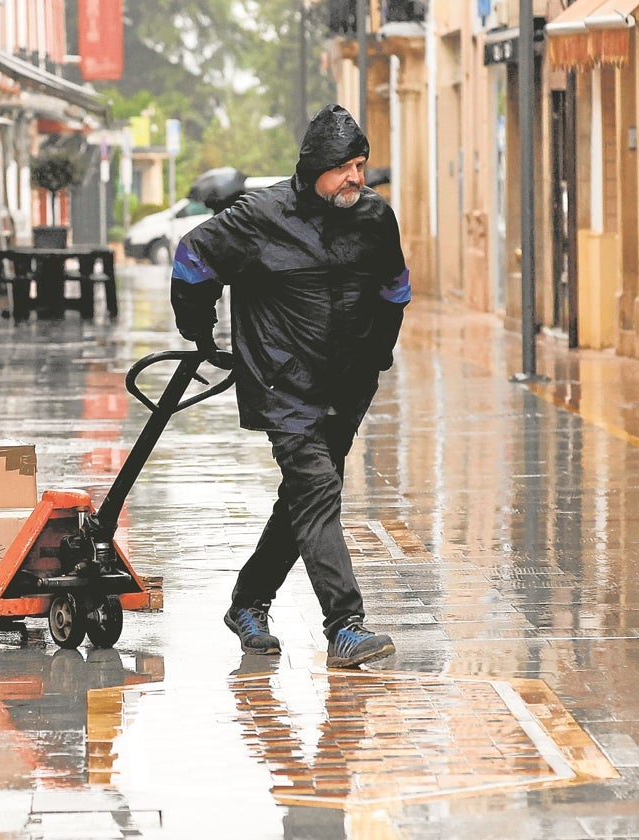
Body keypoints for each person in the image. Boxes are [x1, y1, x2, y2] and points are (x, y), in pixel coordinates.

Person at [170, 104, 411, 669]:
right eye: (345, 166)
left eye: (361, 164)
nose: (357, 177)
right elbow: (192, 258)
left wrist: (378, 355)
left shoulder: (375, 217)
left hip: (347, 385)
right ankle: (344, 625)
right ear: (314, 168)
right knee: (318, 490)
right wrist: (200, 334)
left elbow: (395, 289)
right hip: (283, 383)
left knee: (305, 498)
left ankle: (248, 604)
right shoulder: (260, 216)